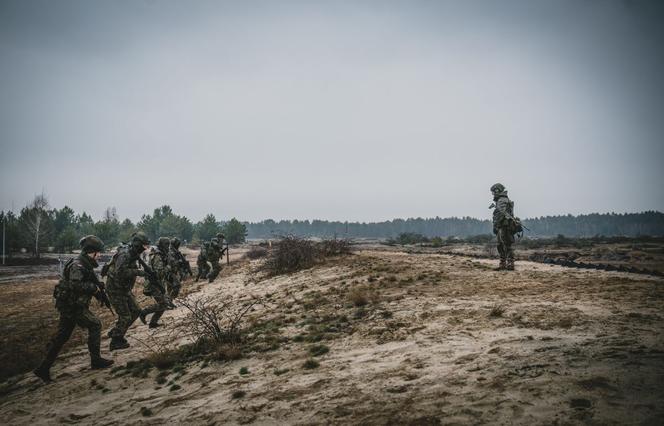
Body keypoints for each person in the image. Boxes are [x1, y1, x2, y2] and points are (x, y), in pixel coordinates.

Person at [33, 236, 114, 382]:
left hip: (70, 305)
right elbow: (75, 285)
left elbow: (90, 283)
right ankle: (96, 360)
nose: (100, 255)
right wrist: (94, 289)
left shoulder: (85, 264)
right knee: (95, 324)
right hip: (73, 306)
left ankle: (43, 368)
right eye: (98, 252)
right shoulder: (78, 265)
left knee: (62, 337)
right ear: (91, 252)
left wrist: (99, 292)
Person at [104, 231, 150, 350]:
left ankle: (116, 331)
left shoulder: (133, 253)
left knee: (136, 311)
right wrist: (139, 272)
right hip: (115, 289)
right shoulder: (125, 254)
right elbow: (121, 272)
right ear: (137, 244)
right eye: (144, 246)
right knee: (125, 316)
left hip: (124, 288)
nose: (145, 248)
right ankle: (116, 341)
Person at [139, 237, 173, 328]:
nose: (168, 247)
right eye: (166, 244)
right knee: (163, 304)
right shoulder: (158, 256)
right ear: (161, 245)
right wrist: (169, 267)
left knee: (164, 303)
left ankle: (153, 323)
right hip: (154, 283)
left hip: (159, 283)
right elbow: (159, 273)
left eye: (168, 245)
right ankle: (143, 312)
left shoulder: (162, 254)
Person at [491, 183, 516, 271]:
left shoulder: (502, 200)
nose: (493, 193)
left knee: (506, 245)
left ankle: (509, 264)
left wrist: (496, 225)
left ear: (497, 190)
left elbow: (501, 214)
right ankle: (504, 264)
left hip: (504, 226)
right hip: (502, 226)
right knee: (500, 245)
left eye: (494, 191)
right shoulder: (502, 199)